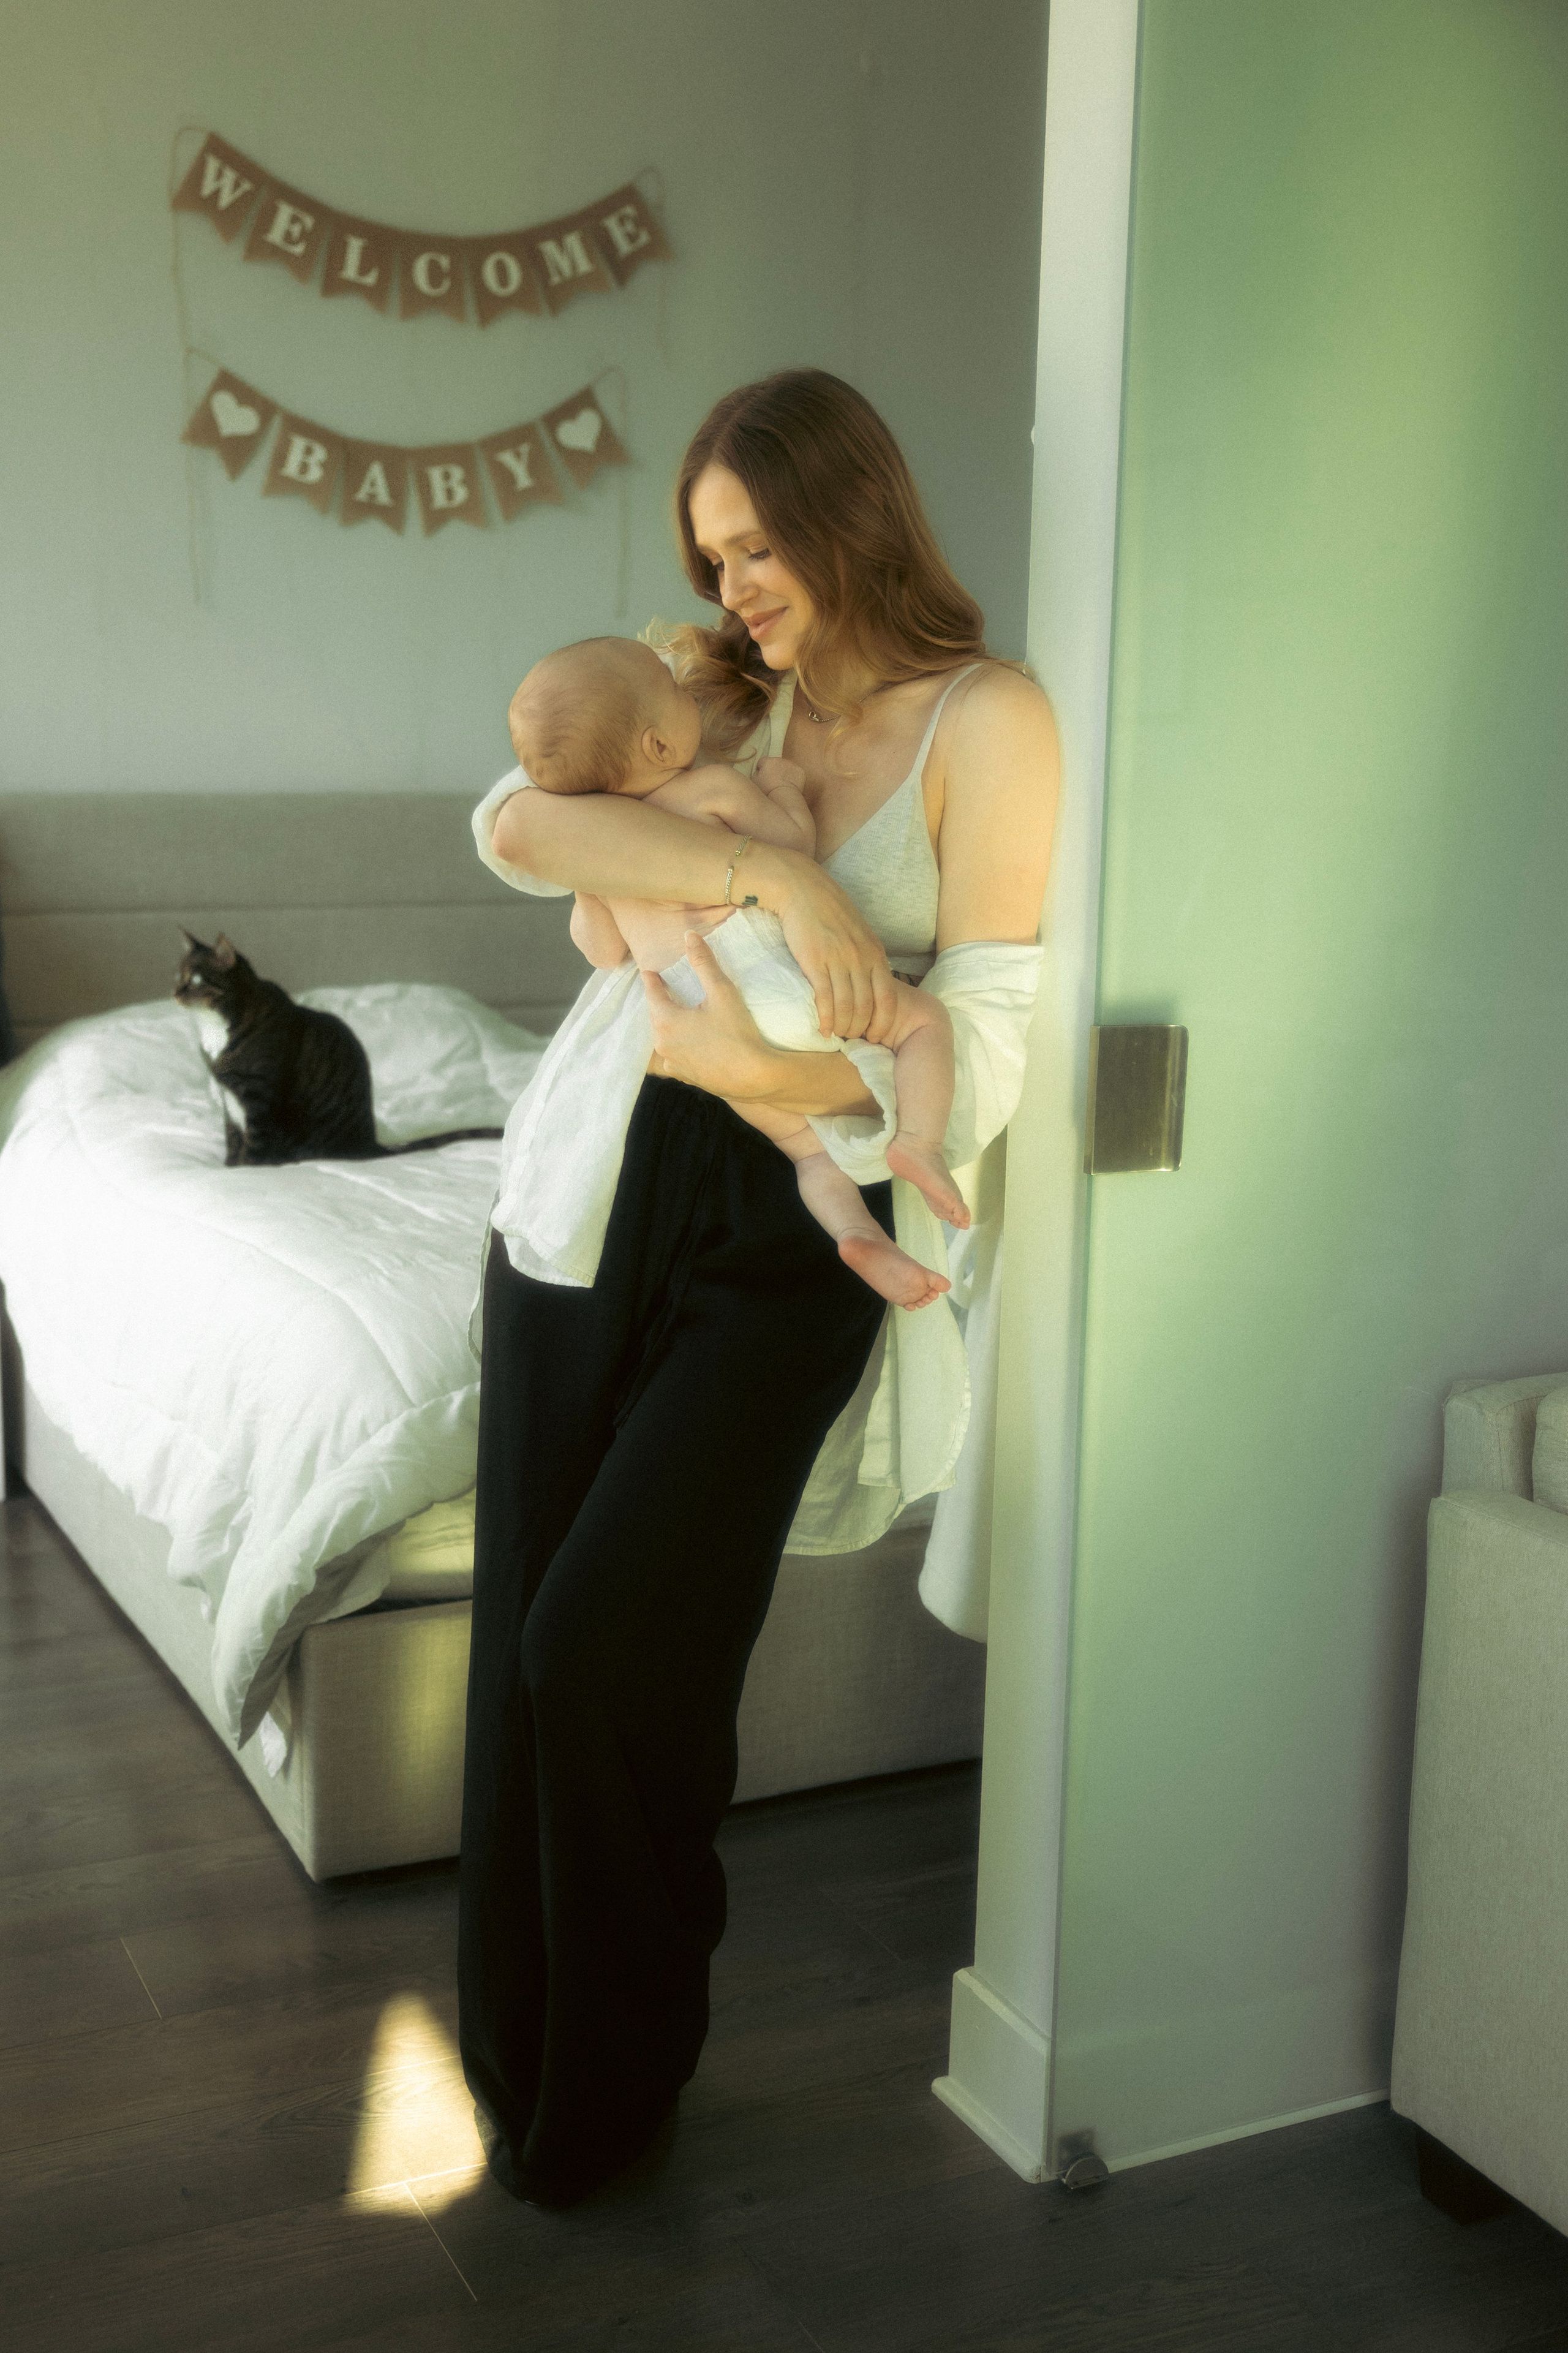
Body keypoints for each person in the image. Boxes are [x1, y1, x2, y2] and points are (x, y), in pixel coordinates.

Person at [459, 368, 1060, 2210]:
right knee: (522, 1659)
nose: (736, 589)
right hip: (585, 1197)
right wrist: (754, 876)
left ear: (847, 507)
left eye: (756, 545)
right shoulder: (723, 692)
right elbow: (516, 817)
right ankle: (518, 2060)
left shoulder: (987, 720)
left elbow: (998, 1040)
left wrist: (768, 1080)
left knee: (615, 1647)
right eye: (712, 557)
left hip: (790, 1231)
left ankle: (613, 2089)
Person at [502, 632, 966, 1309]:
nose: (687, 690)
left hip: (696, 1030)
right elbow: (794, 850)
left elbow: (603, 951)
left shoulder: (604, 855)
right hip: (775, 984)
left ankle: (854, 1233)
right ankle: (920, 1143)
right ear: (660, 746)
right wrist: (782, 786)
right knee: (924, 1021)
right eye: (674, 691)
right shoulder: (710, 788)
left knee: (807, 1149)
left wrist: (585, 884)